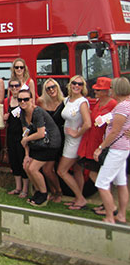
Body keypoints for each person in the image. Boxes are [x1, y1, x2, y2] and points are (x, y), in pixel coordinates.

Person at [78, 77, 117, 215]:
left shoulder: (113, 104)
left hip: (102, 144)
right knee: (97, 175)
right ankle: (106, 203)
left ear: (107, 91)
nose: (96, 92)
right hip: (92, 142)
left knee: (99, 176)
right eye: (96, 89)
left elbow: (116, 125)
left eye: (99, 90)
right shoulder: (100, 102)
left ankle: (110, 206)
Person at [94, 77, 130, 224]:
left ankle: (110, 216)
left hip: (117, 148)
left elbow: (115, 131)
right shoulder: (126, 104)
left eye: (112, 88)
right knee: (121, 182)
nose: (110, 91)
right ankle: (121, 215)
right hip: (123, 148)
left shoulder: (122, 107)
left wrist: (101, 147)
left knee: (102, 183)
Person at [20, 89, 62, 207]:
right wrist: (27, 155)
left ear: (31, 100)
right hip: (38, 144)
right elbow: (25, 135)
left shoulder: (37, 112)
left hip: (50, 144)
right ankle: (38, 192)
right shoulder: (22, 114)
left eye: (26, 99)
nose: (23, 102)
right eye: (20, 99)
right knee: (26, 166)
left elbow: (41, 133)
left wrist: (26, 140)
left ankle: (44, 195)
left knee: (33, 168)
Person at [57, 75, 91, 210]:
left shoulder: (82, 102)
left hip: (75, 142)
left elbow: (87, 123)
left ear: (83, 87)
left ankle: (81, 198)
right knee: (77, 170)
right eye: (74, 83)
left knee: (62, 170)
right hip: (68, 139)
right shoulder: (68, 100)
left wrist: (76, 133)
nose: (77, 86)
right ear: (70, 85)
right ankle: (78, 198)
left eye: (80, 84)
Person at [36, 78, 64, 202]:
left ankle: (57, 191)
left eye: (54, 87)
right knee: (47, 169)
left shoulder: (64, 102)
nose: (51, 90)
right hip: (48, 138)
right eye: (48, 88)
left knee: (53, 168)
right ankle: (55, 191)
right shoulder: (41, 101)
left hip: (62, 137)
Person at [3, 78, 29, 198]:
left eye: (16, 86)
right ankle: (17, 187)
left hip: (22, 135)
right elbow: (4, 123)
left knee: (22, 160)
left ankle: (25, 188)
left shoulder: (24, 101)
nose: (14, 88)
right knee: (14, 161)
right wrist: (4, 118)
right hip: (11, 135)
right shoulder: (7, 101)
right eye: (11, 86)